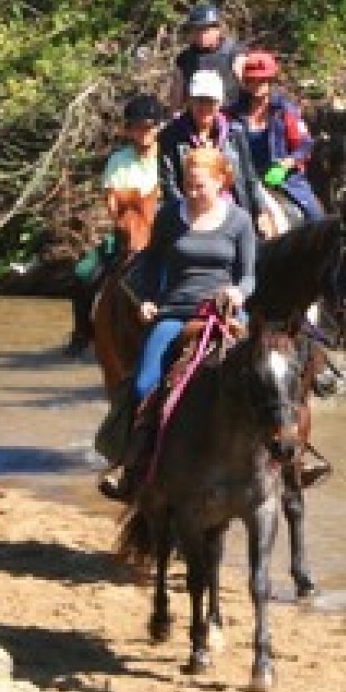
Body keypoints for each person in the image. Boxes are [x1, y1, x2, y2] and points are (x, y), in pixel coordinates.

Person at [96, 146, 257, 501]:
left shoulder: (240, 221)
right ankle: (132, 465)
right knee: (142, 385)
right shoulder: (170, 216)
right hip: (175, 312)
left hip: (224, 314)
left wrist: (238, 293)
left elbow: (248, 276)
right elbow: (152, 264)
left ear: (221, 181)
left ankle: (274, 460)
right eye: (188, 184)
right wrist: (150, 299)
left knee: (261, 381)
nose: (194, 192)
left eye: (200, 185)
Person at [65, 92, 164, 357]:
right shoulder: (118, 160)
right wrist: (124, 228)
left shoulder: (167, 159)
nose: (143, 131)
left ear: (157, 127)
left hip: (162, 230)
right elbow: (112, 201)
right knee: (83, 273)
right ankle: (82, 332)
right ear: (129, 129)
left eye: (149, 126)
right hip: (127, 230)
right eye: (137, 126)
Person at [158, 70, 278, 238]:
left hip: (233, 209)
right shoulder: (171, 136)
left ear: (219, 103)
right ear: (190, 101)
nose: (204, 107)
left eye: (210, 102)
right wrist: (187, 213)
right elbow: (168, 184)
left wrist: (261, 210)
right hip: (190, 211)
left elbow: (249, 176)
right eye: (199, 101)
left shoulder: (234, 132)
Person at [227, 50, 322, 222]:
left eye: (262, 80)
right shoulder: (231, 114)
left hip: (282, 178)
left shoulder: (285, 110)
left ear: (271, 81)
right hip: (242, 179)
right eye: (252, 80)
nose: (257, 85)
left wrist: (285, 164)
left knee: (316, 217)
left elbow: (305, 144)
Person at [167, 1, 246, 113]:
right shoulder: (184, 59)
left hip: (231, 115)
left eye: (205, 29)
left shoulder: (234, 53)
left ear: (217, 29)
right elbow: (176, 96)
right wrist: (174, 119)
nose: (201, 34)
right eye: (196, 29)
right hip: (197, 117)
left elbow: (247, 87)